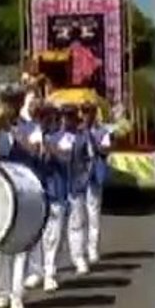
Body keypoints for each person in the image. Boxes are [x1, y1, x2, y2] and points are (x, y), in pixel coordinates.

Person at [0, 85, 42, 308]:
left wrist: (16, 133)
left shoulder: (31, 126)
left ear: (20, 104)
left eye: (12, 102)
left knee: (20, 242)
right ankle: (1, 293)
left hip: (23, 186)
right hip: (0, 186)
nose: (8, 106)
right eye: (5, 101)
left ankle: (16, 293)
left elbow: (36, 150)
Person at [43, 103, 92, 290]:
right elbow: (45, 162)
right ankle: (49, 271)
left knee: (77, 224)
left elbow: (89, 160)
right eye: (64, 116)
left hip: (75, 188)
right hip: (57, 189)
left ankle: (78, 257)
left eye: (70, 116)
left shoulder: (81, 138)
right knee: (54, 232)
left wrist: (84, 180)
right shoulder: (52, 138)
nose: (67, 120)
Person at [80, 101, 111, 264]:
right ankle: (79, 250)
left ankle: (92, 249)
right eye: (84, 112)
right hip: (79, 177)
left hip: (94, 177)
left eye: (89, 112)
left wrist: (92, 138)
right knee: (78, 216)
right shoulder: (77, 131)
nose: (86, 115)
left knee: (93, 215)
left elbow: (106, 150)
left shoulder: (102, 131)